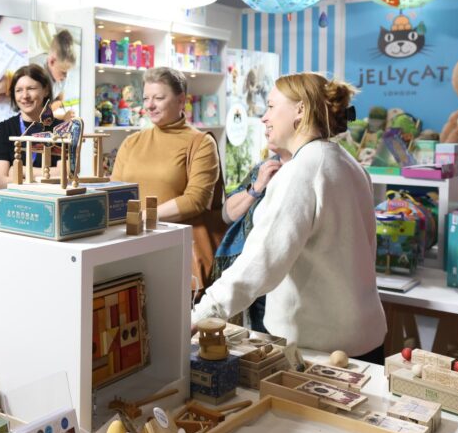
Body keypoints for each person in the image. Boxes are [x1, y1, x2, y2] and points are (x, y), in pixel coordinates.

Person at [191, 72, 386, 360]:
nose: (264, 118)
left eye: (271, 106)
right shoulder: (350, 165)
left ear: (300, 110)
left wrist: (204, 313)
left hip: (317, 348)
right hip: (364, 338)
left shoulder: (301, 171)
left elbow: (262, 261)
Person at [111, 67, 227, 290]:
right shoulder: (131, 142)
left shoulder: (201, 143)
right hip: (130, 247)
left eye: (158, 98)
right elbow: (115, 192)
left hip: (177, 251)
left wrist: (144, 216)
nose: (149, 105)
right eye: (146, 98)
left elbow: (196, 200)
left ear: (181, 100)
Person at [215, 144, 292, 333]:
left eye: (271, 129)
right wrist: (257, 186)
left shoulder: (304, 169)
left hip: (291, 278)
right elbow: (228, 214)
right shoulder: (266, 167)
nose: (267, 128)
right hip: (260, 273)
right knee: (265, 338)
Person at [0, 64, 60, 190]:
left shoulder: (61, 128)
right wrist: (46, 177)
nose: (25, 96)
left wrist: (22, 171)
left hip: (50, 200)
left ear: (46, 90)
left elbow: (66, 175)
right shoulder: (4, 129)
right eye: (18, 90)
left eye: (31, 88)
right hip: (14, 202)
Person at [30, 27, 78, 120]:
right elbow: (37, 115)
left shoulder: (60, 72)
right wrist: (63, 117)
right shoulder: (37, 77)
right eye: (63, 72)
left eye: (67, 72)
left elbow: (61, 96)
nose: (66, 77)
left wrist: (58, 102)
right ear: (51, 62)